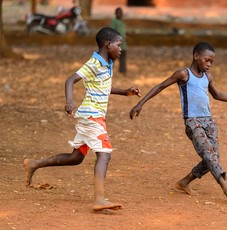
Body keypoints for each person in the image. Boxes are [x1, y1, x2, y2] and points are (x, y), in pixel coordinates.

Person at [23, 27, 141, 212]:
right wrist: (69, 101)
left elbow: (104, 88)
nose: (121, 49)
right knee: (104, 153)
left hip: (92, 116)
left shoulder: (106, 63)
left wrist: (125, 92)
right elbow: (70, 80)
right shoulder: (94, 63)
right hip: (92, 116)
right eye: (119, 45)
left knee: (76, 157)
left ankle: (34, 164)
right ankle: (99, 199)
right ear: (108, 44)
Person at [129, 42, 227, 200]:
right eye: (207, 60)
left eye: (212, 62)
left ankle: (185, 182)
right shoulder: (184, 74)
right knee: (208, 153)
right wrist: (140, 103)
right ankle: (224, 185)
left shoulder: (207, 77)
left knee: (213, 157)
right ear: (196, 56)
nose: (209, 64)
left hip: (208, 121)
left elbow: (217, 95)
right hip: (192, 121)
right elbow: (160, 86)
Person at [110, 7, 127, 74]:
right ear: (116, 14)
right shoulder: (114, 21)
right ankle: (108, 70)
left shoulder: (122, 21)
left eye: (121, 13)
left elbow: (123, 30)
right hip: (116, 44)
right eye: (119, 13)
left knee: (123, 58)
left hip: (123, 44)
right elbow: (112, 31)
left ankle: (122, 71)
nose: (120, 14)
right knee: (113, 57)